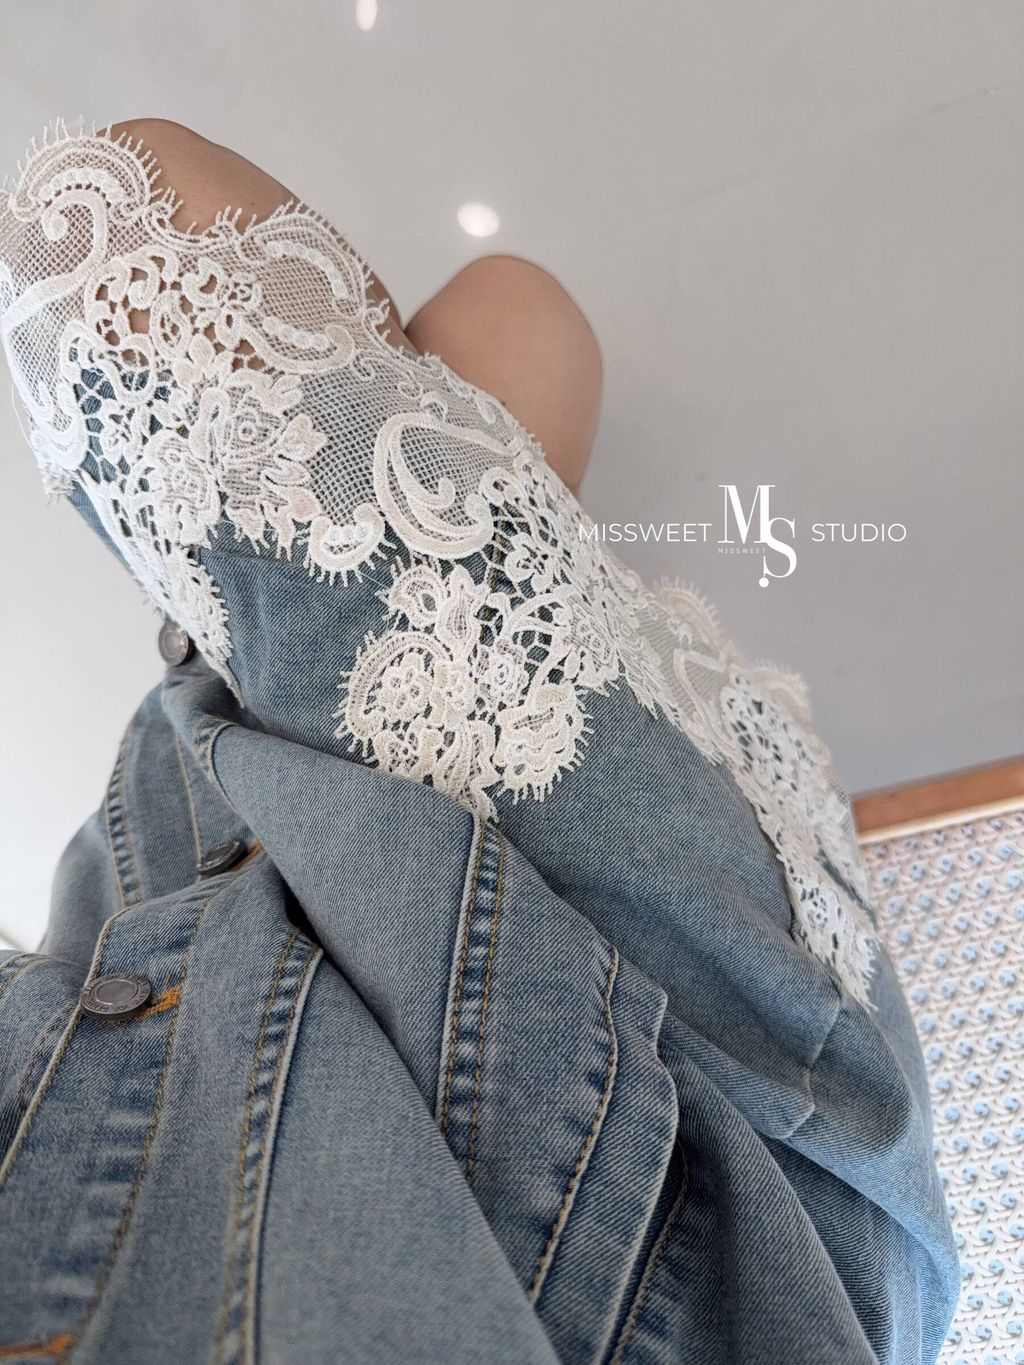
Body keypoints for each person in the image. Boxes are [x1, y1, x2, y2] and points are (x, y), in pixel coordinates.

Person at [0, 117, 959, 1363]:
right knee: (480, 305)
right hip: (687, 1153)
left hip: (215, 883)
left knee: (450, 306)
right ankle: (350, 576)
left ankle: (319, 589)